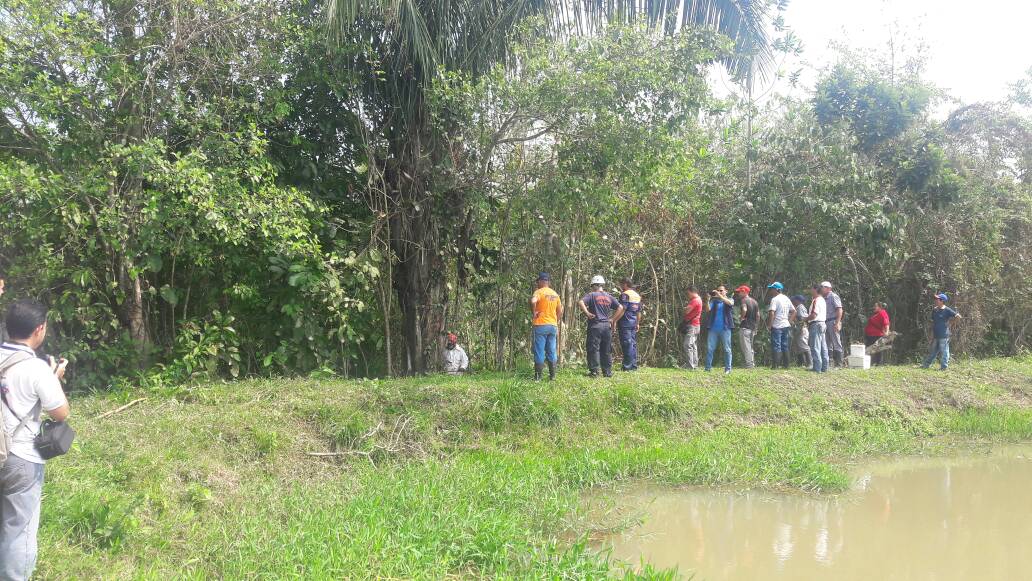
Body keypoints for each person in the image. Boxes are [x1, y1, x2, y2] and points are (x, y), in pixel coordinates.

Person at [0, 299, 70, 581]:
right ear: (39, 329)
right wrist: (56, 378)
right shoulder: (38, 368)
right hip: (20, 459)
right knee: (19, 528)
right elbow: (61, 413)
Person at [578, 276, 625, 378]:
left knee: (593, 348)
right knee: (606, 349)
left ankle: (594, 372)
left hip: (595, 325)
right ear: (602, 285)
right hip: (606, 326)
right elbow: (621, 307)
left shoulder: (592, 295)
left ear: (594, 285)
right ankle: (607, 372)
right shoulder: (609, 296)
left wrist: (587, 313)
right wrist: (612, 319)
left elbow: (581, 302)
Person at [530, 272, 562, 381]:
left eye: (538, 281)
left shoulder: (539, 292)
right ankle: (552, 376)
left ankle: (538, 377)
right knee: (551, 350)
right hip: (552, 326)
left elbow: (533, 300)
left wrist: (534, 312)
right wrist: (555, 321)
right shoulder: (555, 294)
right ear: (548, 282)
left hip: (540, 325)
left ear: (540, 281)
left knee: (539, 350)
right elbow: (560, 311)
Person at [922, 293, 961, 371]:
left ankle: (944, 367)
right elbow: (933, 322)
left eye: (937, 299)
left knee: (944, 352)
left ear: (942, 301)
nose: (935, 300)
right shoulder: (935, 310)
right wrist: (931, 334)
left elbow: (958, 316)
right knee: (933, 351)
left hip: (944, 335)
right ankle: (926, 365)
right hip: (936, 335)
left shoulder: (947, 310)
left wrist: (950, 323)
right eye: (936, 299)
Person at [703, 285, 734, 374]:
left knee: (727, 349)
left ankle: (728, 369)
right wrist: (708, 300)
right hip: (713, 329)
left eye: (721, 290)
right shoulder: (714, 302)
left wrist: (719, 295)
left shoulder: (730, 299)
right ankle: (707, 368)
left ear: (726, 291)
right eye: (718, 290)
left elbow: (730, 303)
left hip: (725, 328)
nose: (719, 292)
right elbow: (708, 310)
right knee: (710, 349)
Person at [616, 278, 642, 372]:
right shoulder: (637, 295)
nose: (620, 286)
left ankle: (627, 367)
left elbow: (622, 309)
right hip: (633, 322)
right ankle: (633, 365)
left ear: (625, 284)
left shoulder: (625, 295)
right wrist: (638, 323)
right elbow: (639, 312)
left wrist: (614, 320)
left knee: (627, 344)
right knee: (633, 344)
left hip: (625, 322)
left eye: (621, 284)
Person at [766, 282, 793, 369]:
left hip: (777, 326)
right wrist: (789, 321)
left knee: (776, 344)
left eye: (772, 289)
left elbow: (772, 312)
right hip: (786, 325)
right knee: (784, 345)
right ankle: (786, 365)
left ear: (777, 289)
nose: (771, 291)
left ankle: (775, 365)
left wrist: (769, 325)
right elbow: (794, 311)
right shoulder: (786, 298)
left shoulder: (775, 299)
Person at [820, 281, 845, 368]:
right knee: (827, 343)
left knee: (836, 342)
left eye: (822, 287)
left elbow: (839, 309)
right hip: (825, 322)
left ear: (828, 288)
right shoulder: (822, 298)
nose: (821, 289)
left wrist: (837, 323)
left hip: (833, 321)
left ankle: (839, 364)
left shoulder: (833, 296)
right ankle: (829, 363)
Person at [734, 285, 759, 369]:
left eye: (740, 292)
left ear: (744, 291)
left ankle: (749, 365)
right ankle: (752, 363)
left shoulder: (744, 300)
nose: (738, 294)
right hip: (752, 327)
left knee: (746, 346)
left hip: (745, 327)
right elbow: (758, 315)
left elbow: (744, 310)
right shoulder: (754, 301)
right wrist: (756, 326)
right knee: (750, 346)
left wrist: (741, 318)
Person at [807, 285, 829, 373]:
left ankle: (817, 368)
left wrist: (805, 319)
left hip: (816, 324)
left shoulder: (816, 300)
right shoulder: (823, 300)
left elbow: (814, 315)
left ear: (815, 289)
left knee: (815, 346)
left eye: (812, 289)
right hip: (823, 323)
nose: (811, 290)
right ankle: (824, 367)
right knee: (823, 346)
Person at [681, 286, 703, 371]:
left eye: (688, 293)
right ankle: (694, 364)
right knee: (693, 345)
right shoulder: (699, 299)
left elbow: (687, 311)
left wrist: (685, 308)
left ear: (692, 292)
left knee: (687, 345)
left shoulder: (695, 300)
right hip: (695, 325)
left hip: (692, 325)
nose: (688, 295)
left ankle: (690, 366)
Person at [789, 295, 811, 368]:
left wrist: (800, 328)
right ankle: (801, 363)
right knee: (798, 346)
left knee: (804, 345)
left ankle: (809, 363)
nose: (793, 301)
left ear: (797, 300)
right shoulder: (798, 307)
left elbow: (802, 318)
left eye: (794, 300)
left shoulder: (800, 307)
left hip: (802, 329)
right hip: (799, 329)